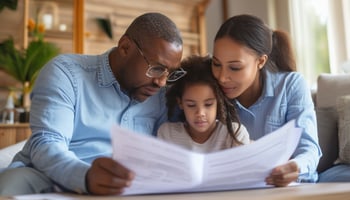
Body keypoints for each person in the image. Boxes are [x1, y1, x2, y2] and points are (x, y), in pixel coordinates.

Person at [0, 12, 183, 196]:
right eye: (156, 68)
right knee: (13, 183)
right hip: (49, 180)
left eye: (170, 73)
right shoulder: (66, 74)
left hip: (126, 190)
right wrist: (85, 177)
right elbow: (47, 145)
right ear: (125, 47)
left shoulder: (160, 95)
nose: (161, 82)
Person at [210, 14, 322, 187]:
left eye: (235, 67)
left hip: (286, 189)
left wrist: (294, 167)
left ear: (261, 61)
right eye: (216, 64)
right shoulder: (208, 89)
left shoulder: (290, 85)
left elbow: (309, 149)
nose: (222, 77)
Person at [158, 55, 250, 153]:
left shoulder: (235, 134)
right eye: (191, 105)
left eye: (208, 104)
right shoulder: (167, 133)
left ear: (218, 102)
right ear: (180, 102)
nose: (200, 113)